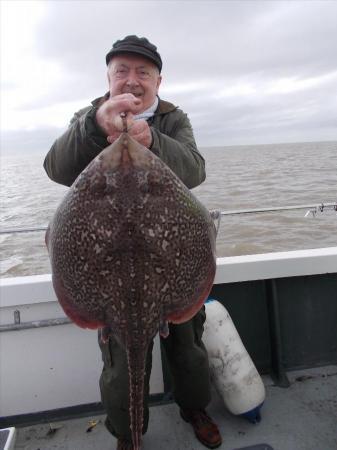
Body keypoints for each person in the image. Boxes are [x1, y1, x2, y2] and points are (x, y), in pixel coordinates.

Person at [43, 35, 222, 450]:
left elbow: (194, 171)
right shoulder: (88, 117)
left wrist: (154, 142)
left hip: (171, 264)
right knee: (122, 366)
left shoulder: (174, 120)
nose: (132, 80)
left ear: (159, 80)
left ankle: (194, 408)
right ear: (108, 77)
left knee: (189, 350)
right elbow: (56, 167)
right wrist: (92, 126)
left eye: (143, 72)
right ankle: (128, 434)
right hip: (107, 271)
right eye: (121, 70)